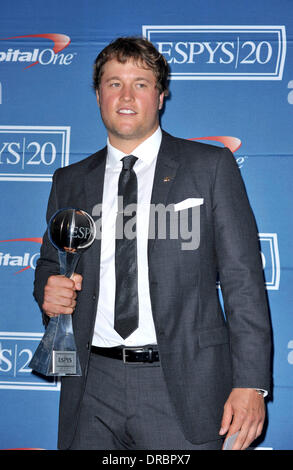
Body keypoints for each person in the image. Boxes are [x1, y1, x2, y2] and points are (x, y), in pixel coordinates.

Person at [33, 36, 272, 451]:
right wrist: (48, 291)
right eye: (113, 83)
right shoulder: (68, 180)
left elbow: (243, 281)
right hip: (90, 386)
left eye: (140, 83)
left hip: (182, 385)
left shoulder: (210, 167)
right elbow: (50, 264)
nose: (126, 96)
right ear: (98, 95)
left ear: (160, 96)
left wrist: (251, 382)